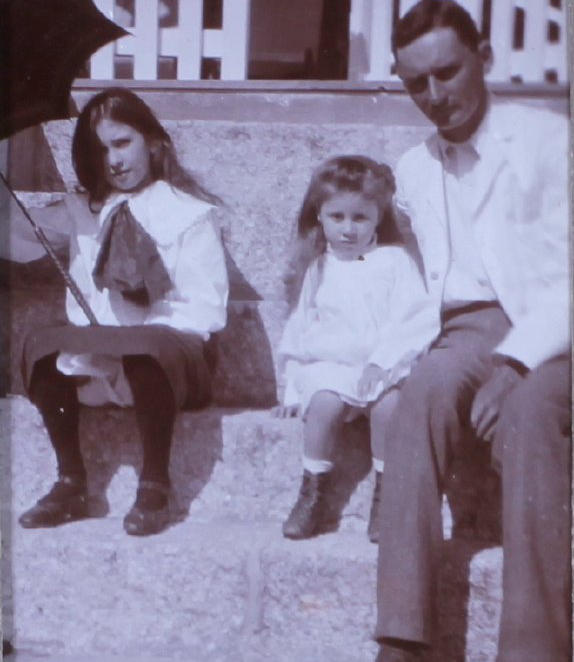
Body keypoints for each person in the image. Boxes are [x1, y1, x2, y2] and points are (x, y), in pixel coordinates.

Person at [359, 0, 571, 662]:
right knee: (419, 397)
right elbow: (429, 289)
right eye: (417, 83)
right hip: (467, 328)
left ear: (483, 55)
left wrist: (517, 362)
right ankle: (399, 643)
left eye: (448, 72)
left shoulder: (547, 138)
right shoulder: (414, 167)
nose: (435, 95)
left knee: (534, 413)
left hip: (555, 327)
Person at [4, 88, 229, 537]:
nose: (114, 160)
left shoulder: (188, 214)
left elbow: (208, 308)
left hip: (168, 362)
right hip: (97, 361)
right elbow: (16, 242)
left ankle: (155, 484)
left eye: (122, 142)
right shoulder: (83, 210)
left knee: (146, 348)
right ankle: (71, 481)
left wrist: (137, 336)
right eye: (99, 149)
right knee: (41, 343)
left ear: (151, 140)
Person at [275, 155, 439, 541]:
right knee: (325, 403)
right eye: (337, 217)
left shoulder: (392, 262)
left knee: (389, 408)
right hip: (333, 366)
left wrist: (383, 363)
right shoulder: (319, 268)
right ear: (319, 216)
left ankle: (385, 496)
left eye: (360, 218)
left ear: (378, 217)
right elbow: (300, 330)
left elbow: (414, 318)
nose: (348, 229)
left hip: (381, 367)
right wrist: (292, 385)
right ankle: (313, 490)